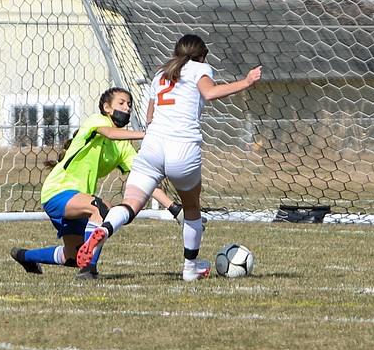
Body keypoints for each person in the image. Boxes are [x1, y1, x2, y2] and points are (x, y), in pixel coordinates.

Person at [77, 33, 262, 282]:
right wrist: (247, 82)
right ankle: (190, 267)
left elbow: (150, 116)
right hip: (182, 147)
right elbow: (208, 93)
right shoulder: (200, 68)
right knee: (192, 208)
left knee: (130, 202)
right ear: (202, 55)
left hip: (153, 144)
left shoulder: (161, 73)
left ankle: (104, 228)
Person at [10, 86, 183, 280]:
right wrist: (148, 135)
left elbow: (145, 180)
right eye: (121, 103)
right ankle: (89, 270)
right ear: (107, 107)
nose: (127, 108)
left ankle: (24, 256)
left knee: (72, 257)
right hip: (58, 191)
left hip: (78, 201)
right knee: (100, 208)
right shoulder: (97, 121)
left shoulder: (123, 147)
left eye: (129, 105)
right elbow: (110, 133)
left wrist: (174, 208)